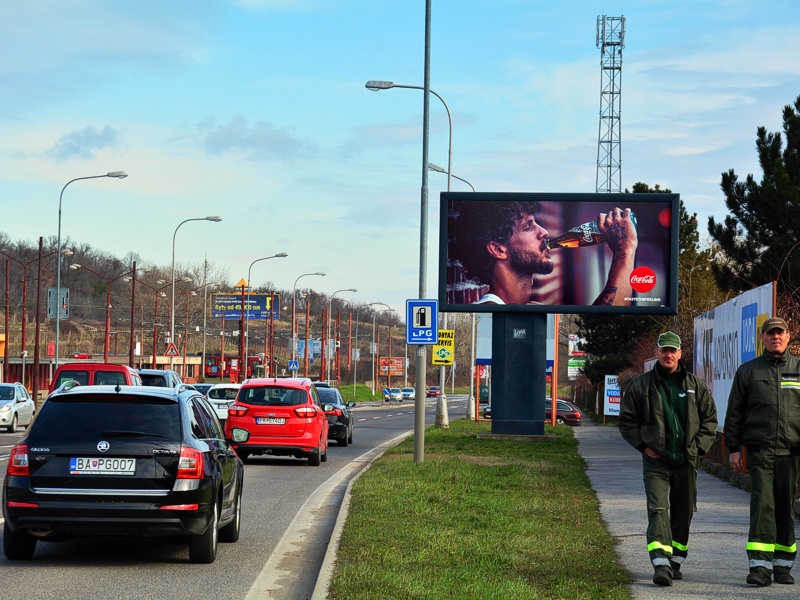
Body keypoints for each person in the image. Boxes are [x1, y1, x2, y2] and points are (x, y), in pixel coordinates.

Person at [619, 331, 718, 587]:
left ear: (680, 354)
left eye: (673, 350)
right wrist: (643, 446)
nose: (669, 355)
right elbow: (627, 422)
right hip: (656, 461)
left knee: (683, 512)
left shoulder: (696, 386)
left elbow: (710, 420)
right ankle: (660, 563)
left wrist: (700, 448)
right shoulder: (641, 386)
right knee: (658, 509)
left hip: (686, 461)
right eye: (664, 350)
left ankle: (676, 561)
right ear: (657, 352)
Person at [724, 316, 800, 587]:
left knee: (785, 508)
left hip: (791, 453)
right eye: (770, 333)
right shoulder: (748, 371)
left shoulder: (799, 369)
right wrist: (733, 448)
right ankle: (759, 567)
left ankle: (782, 566)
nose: (775, 337)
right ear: (762, 338)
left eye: (780, 333)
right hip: (760, 451)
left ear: (788, 337)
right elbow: (735, 412)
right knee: (762, 506)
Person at [450, 200, 637, 305]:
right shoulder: (488, 314)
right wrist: (625, 250)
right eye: (528, 227)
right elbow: (602, 325)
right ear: (498, 249)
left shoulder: (526, 307)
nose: (544, 232)